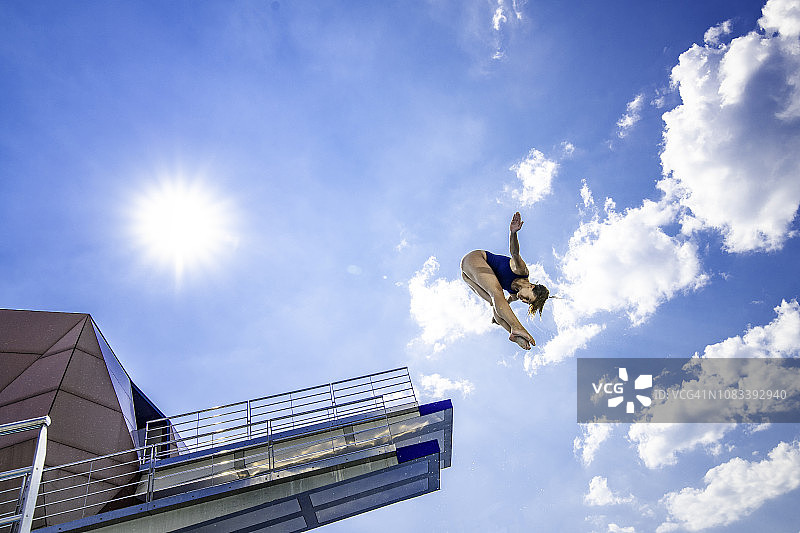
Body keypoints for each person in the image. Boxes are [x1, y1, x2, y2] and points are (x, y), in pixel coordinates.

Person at [460, 212, 549, 350]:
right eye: (527, 298)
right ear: (531, 286)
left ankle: (513, 333)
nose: (523, 301)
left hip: (468, 277)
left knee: (494, 302)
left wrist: (498, 317)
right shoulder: (522, 271)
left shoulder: (514, 295)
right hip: (475, 259)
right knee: (496, 293)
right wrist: (513, 233)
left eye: (526, 302)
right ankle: (517, 327)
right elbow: (515, 253)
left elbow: (502, 304)